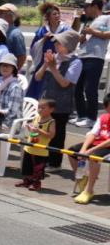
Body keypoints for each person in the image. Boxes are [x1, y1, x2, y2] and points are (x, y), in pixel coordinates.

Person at [34, 29, 81, 169]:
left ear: (68, 45)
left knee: (57, 135)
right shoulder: (55, 57)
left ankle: (55, 163)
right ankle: (40, 159)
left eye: (59, 42)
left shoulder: (76, 62)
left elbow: (65, 83)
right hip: (46, 102)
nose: (55, 45)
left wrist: (53, 67)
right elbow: (37, 77)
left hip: (61, 104)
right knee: (42, 131)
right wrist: (45, 64)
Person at [73, 0, 110, 127]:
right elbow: (84, 39)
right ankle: (81, 115)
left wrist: (92, 31)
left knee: (90, 88)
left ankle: (91, 118)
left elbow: (108, 34)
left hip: (96, 57)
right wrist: (83, 37)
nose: (86, 10)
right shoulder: (90, 21)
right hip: (82, 55)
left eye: (87, 7)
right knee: (77, 87)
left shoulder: (106, 18)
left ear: (95, 6)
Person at [26, 2, 71, 99]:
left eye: (58, 13)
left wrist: (56, 38)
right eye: (54, 14)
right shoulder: (42, 30)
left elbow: (70, 43)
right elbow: (34, 47)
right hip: (44, 62)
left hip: (59, 62)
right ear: (48, 17)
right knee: (38, 89)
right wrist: (44, 39)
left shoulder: (65, 28)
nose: (57, 16)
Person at [71, 96, 110, 203]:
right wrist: (83, 150)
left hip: (107, 147)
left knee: (93, 157)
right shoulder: (103, 117)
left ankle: (89, 190)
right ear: (106, 108)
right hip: (99, 143)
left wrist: (90, 151)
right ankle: (83, 178)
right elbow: (92, 134)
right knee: (72, 151)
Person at [17, 98, 56, 191]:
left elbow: (51, 135)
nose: (40, 110)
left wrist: (39, 130)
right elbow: (33, 131)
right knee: (27, 166)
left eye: (43, 108)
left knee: (37, 168)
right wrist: (30, 128)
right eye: (39, 107)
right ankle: (27, 180)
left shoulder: (51, 121)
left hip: (40, 150)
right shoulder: (36, 117)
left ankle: (36, 183)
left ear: (51, 109)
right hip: (29, 147)